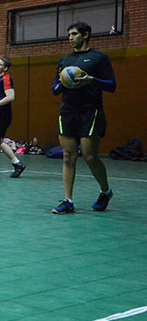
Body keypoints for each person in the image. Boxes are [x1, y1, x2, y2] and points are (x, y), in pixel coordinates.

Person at [52, 21, 115, 214]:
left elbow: (112, 85)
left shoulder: (99, 58)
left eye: (74, 34)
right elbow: (55, 90)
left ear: (86, 35)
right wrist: (64, 81)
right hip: (68, 111)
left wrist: (91, 80)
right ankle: (68, 200)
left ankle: (105, 191)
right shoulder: (64, 61)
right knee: (68, 155)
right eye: (69, 35)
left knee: (89, 156)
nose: (70, 38)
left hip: (90, 111)